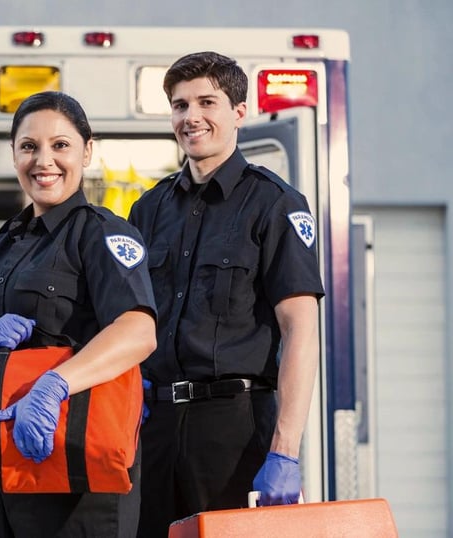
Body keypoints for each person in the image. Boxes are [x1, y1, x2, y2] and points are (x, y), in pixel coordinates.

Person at [0, 91, 157, 538]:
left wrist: (54, 384)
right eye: (29, 146)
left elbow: (138, 331)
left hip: (76, 477)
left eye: (60, 145)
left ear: (87, 151)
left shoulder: (102, 234)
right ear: (14, 155)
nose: (43, 160)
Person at [128, 52, 325, 537]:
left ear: (239, 112)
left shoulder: (274, 203)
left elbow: (300, 329)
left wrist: (284, 450)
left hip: (234, 430)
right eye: (179, 105)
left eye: (206, 102)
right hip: (155, 429)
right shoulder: (147, 210)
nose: (190, 116)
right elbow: (128, 323)